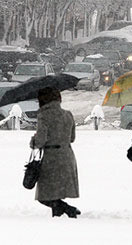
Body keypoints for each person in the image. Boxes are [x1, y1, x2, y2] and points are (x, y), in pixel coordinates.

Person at [30, 87, 80, 218]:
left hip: (51, 159)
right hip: (67, 156)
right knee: (56, 193)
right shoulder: (68, 114)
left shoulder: (43, 116)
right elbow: (72, 138)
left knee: (45, 195)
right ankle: (60, 215)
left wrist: (33, 140)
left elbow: (40, 141)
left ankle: (68, 209)